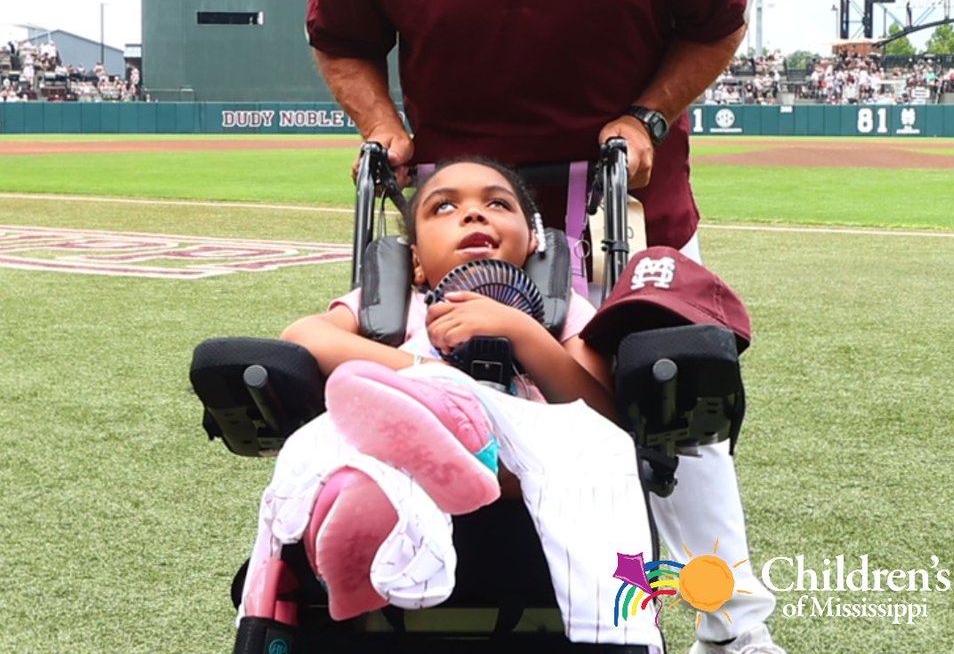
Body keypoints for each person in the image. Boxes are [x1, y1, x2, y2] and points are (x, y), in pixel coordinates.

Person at [305, 0, 783, 654]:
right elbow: (341, 39)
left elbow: (720, 13)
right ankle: (421, 597)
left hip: (622, 207)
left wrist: (649, 115)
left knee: (670, 405)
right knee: (438, 406)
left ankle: (733, 631)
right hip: (465, 217)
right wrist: (383, 126)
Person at [244, 158, 664, 650]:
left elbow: (599, 417)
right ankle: (359, 525)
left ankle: (440, 438)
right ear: (416, 260)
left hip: (517, 466)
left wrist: (522, 333)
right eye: (445, 206)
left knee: (593, 446)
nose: (473, 215)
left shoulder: (554, 312)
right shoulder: (395, 307)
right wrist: (425, 373)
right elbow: (303, 334)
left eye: (497, 204)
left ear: (532, 242)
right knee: (325, 439)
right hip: (402, 456)